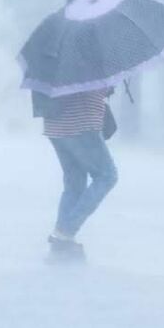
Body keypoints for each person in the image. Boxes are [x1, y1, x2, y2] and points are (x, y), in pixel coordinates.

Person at [37, 88, 118, 249]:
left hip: (55, 127)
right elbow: (91, 85)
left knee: (74, 183)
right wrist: (106, 87)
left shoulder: (52, 63)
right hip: (82, 125)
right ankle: (66, 230)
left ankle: (61, 236)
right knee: (107, 176)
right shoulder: (86, 63)